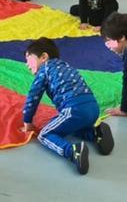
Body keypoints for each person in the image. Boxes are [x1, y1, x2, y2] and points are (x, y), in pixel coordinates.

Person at [21, 38, 114, 175]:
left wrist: (27, 122)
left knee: (45, 134)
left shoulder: (44, 69)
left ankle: (73, 151)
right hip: (93, 108)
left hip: (74, 109)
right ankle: (95, 133)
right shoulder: (66, 66)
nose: (26, 65)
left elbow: (33, 97)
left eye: (28, 59)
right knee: (72, 128)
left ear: (44, 57)